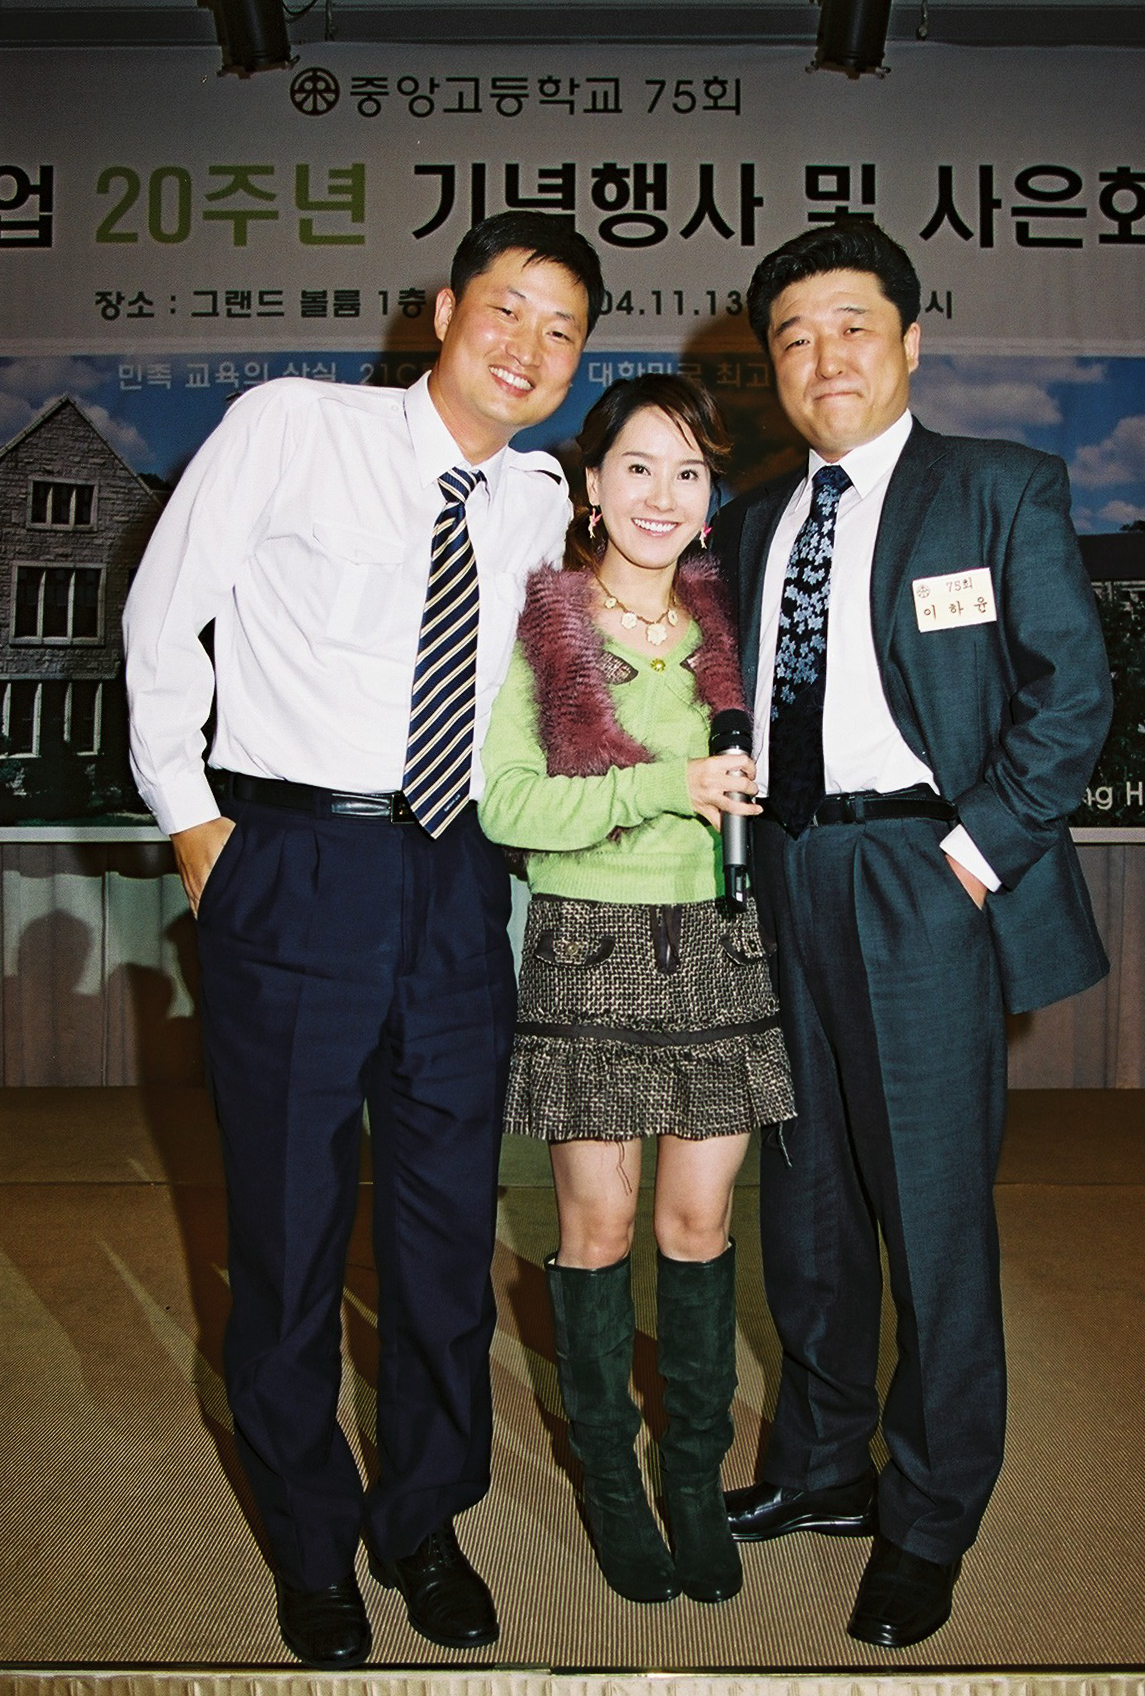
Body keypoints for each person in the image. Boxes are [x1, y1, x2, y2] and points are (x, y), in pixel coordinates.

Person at [123, 212, 604, 1668]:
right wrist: (197, 829)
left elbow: (574, 690)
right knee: (285, 1230)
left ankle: (422, 1519)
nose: (526, 347)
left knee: (447, 1232)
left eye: (561, 331)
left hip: (457, 879)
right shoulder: (295, 424)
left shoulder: (535, 500)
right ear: (444, 309)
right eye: (506, 309)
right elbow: (162, 618)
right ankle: (309, 1541)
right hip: (293, 858)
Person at [715, 220, 1113, 1648]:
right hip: (784, 873)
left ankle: (931, 1512)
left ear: (910, 341)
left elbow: (1071, 693)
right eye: (793, 337)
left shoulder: (997, 487)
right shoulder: (752, 521)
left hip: (923, 874)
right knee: (805, 1204)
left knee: (931, 1217)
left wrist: (972, 853)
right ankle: (823, 1465)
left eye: (852, 327)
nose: (822, 358)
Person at [478, 375, 795, 1607]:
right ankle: (612, 1483)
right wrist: (668, 785)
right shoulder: (546, 625)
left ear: (709, 498)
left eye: (688, 472)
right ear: (591, 487)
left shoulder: (729, 629)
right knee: (597, 1232)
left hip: (718, 941)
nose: (663, 495)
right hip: (589, 951)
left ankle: (693, 1479)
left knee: (698, 1227)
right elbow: (508, 804)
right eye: (638, 467)